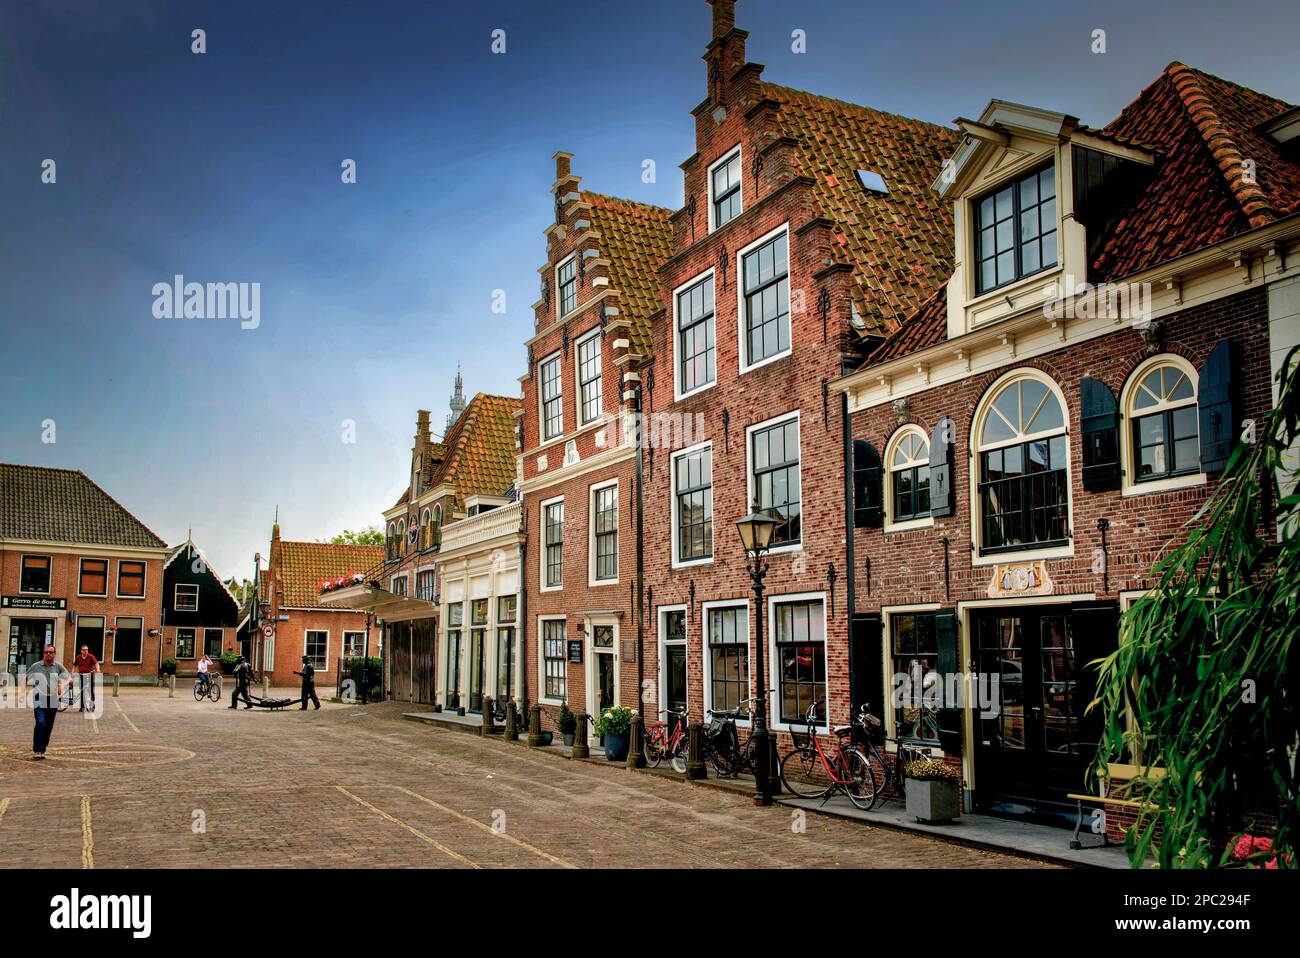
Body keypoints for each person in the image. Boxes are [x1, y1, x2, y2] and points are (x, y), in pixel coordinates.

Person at [27, 644, 71, 759]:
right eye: (46, 652)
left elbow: (69, 678)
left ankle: (42, 748)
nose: (48, 654)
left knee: (48, 726)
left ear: (54, 654)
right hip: (39, 699)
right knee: (40, 723)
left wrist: (62, 685)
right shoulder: (36, 666)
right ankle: (37, 750)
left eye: (51, 652)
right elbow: (25, 678)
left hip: (52, 700)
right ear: (43, 653)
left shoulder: (58, 667)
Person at [73, 644, 99, 712]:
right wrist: (73, 674)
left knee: (90, 691)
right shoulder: (78, 657)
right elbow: (75, 666)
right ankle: (82, 707)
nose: (85, 651)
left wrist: (98, 670)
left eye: (86, 650)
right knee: (81, 691)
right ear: (81, 651)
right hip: (81, 675)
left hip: (89, 675)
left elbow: (96, 664)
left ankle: (92, 705)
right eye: (84, 650)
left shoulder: (91, 657)